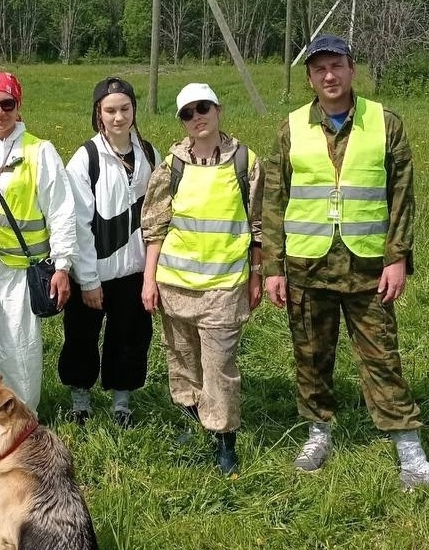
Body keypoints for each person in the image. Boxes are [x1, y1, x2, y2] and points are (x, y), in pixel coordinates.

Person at [262, 34, 429, 496]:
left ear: (352, 69)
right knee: (311, 356)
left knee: (382, 358)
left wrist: (398, 258)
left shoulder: (385, 122)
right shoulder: (291, 127)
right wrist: (272, 267)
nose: (329, 76)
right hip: (307, 266)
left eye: (336, 66)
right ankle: (319, 433)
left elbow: (401, 196)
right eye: (319, 69)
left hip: (369, 268)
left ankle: (412, 457)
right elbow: (273, 200)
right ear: (310, 78)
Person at [141, 83, 264, 476]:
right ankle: (195, 424)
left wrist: (256, 274)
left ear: (218, 109)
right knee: (182, 360)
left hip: (224, 289)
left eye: (203, 108)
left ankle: (225, 440)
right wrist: (149, 280)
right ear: (182, 121)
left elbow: (258, 226)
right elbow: (155, 227)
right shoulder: (172, 166)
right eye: (188, 113)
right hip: (175, 286)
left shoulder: (245, 162)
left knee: (219, 366)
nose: (197, 117)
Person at [0, 72, 77, 414]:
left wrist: (62, 266)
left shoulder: (40, 151)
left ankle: (20, 417)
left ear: (18, 106)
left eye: (7, 104)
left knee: (19, 348)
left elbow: (61, 211)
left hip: (22, 270)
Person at [58, 77, 160, 428]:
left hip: (134, 272)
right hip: (93, 272)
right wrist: (88, 280)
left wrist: (151, 272)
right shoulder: (86, 158)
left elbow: (157, 214)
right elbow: (79, 224)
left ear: (134, 110)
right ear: (98, 114)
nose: (118, 117)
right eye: (110, 110)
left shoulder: (150, 154)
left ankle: (122, 403)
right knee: (81, 337)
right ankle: (80, 400)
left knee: (130, 337)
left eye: (125, 109)